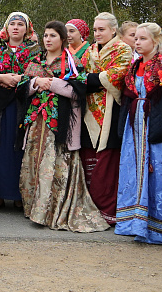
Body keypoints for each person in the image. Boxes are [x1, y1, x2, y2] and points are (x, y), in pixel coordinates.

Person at [16, 21, 108, 232]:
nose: (48, 39)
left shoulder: (72, 62)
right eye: (45, 35)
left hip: (60, 125)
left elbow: (79, 90)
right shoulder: (35, 61)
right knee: (35, 162)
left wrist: (53, 84)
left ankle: (52, 211)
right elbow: (21, 88)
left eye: (53, 36)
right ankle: (36, 209)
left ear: (63, 39)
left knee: (54, 165)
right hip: (37, 122)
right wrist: (35, 83)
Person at [115, 23, 162, 244]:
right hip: (134, 126)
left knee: (158, 171)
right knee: (133, 170)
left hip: (155, 125)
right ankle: (132, 222)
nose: (137, 42)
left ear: (155, 41)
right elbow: (127, 96)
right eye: (136, 39)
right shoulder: (134, 67)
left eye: (143, 39)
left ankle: (157, 227)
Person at [81, 12, 133, 225]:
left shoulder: (123, 49)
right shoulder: (90, 50)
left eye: (101, 29)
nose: (97, 33)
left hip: (112, 108)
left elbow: (117, 74)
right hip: (89, 108)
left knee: (107, 160)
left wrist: (90, 79)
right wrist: (91, 79)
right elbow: (80, 73)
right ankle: (90, 205)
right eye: (95, 29)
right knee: (88, 156)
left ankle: (107, 208)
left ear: (113, 30)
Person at [0, 12, 37, 212]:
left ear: (27, 29)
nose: (16, 27)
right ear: (6, 27)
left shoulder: (35, 51)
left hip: (23, 104)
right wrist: (0, 78)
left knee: (19, 149)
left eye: (20, 24)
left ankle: (18, 196)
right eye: (12, 23)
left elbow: (39, 72)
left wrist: (19, 79)